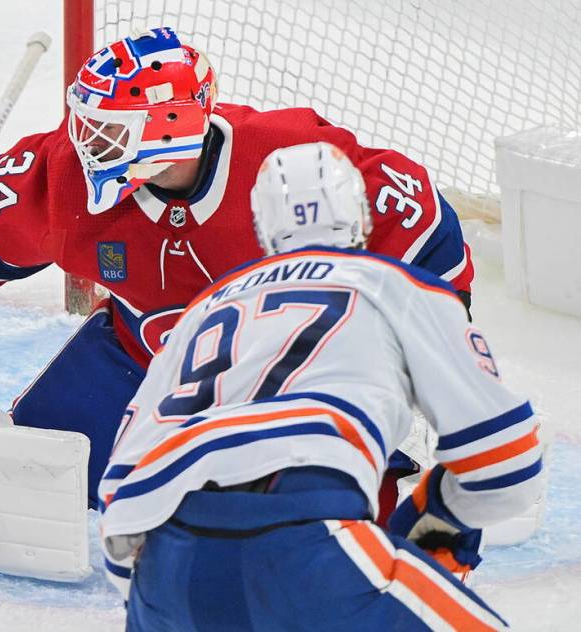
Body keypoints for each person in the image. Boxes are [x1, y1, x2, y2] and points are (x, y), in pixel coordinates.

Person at [0, 26, 474, 507]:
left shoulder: (290, 162)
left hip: (290, 377)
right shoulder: (68, 174)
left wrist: (427, 352)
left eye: (110, 128)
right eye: (88, 122)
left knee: (305, 514)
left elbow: (419, 220)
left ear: (171, 123)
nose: (85, 141)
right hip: (145, 352)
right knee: (45, 469)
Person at [96, 142, 541, 631]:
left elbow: (120, 491)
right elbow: (505, 466)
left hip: (165, 572)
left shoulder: (197, 314)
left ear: (262, 227)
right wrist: (441, 517)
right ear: (358, 217)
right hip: (306, 538)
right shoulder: (394, 283)